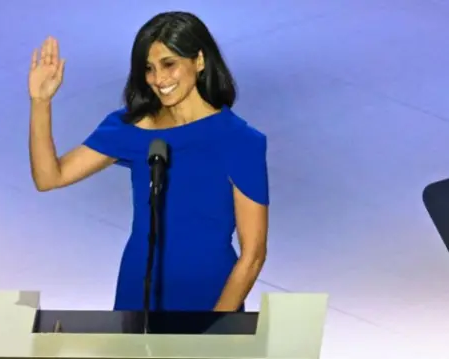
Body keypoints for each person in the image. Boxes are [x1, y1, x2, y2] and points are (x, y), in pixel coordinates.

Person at [28, 11, 269, 312]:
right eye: (149, 69)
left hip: (208, 291)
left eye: (169, 64)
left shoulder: (240, 140)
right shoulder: (133, 128)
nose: (159, 79)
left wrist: (215, 330)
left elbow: (254, 255)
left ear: (199, 60)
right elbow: (49, 177)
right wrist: (41, 102)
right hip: (138, 287)